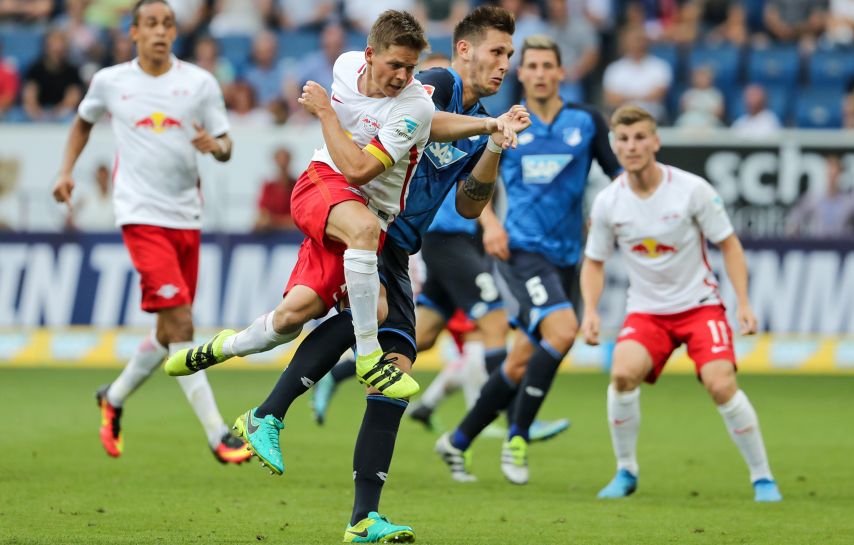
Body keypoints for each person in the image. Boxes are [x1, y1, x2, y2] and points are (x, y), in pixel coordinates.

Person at [164, 9, 526, 542]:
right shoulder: (435, 83)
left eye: (508, 56)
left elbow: (471, 204)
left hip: (397, 245)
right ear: (464, 50)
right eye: (496, 52)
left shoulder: (479, 121)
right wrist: (482, 124)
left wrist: (493, 142)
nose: (503, 65)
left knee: (315, 329)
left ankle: (362, 516)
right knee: (370, 321)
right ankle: (273, 411)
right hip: (357, 215)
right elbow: (409, 116)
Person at [51, 0, 250, 465]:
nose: (160, 31)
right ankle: (219, 434)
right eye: (151, 24)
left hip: (187, 216)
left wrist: (213, 145)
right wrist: (66, 172)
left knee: (166, 331)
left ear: (175, 32)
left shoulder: (198, 84)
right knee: (183, 326)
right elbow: (82, 121)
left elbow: (226, 146)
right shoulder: (110, 81)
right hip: (139, 216)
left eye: (167, 24)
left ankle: (113, 397)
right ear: (134, 32)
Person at [435, 35, 622, 485]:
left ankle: (457, 440)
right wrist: (490, 224)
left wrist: (608, 217)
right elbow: (471, 181)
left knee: (521, 360)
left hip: (567, 257)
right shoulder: (505, 122)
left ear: (561, 73)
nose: (538, 73)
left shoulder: (586, 122)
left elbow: (616, 176)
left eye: (546, 66)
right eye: (531, 66)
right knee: (562, 331)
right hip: (519, 250)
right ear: (522, 74)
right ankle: (517, 437)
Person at [581, 103, 782, 502]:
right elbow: (594, 262)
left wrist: (743, 302)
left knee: (720, 384)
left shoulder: (692, 190)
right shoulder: (608, 202)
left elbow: (729, 244)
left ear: (655, 142)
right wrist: (590, 310)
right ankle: (626, 471)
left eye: (640, 138)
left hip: (700, 306)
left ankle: (763, 478)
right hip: (647, 313)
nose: (632, 146)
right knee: (621, 375)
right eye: (623, 139)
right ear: (614, 146)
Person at [785, 155, 854, 239]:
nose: (832, 179)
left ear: (840, 175)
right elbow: (793, 222)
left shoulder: (850, 201)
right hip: (818, 249)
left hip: (843, 249)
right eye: (829, 174)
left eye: (835, 175)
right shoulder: (813, 198)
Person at [253, 147, 296, 232]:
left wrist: (274, 222)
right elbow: (263, 214)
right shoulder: (268, 187)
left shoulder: (297, 186)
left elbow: (299, 219)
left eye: (285, 161)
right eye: (280, 161)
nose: (282, 165)